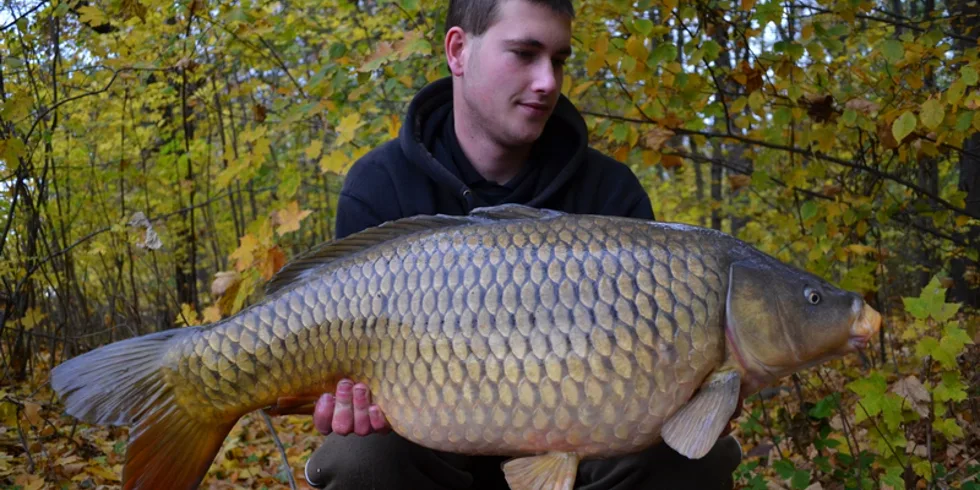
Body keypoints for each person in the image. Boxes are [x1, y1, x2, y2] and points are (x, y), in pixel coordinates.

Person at [303, 0, 744, 488]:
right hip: (430, 446)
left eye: (558, 60)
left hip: (585, 448)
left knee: (695, 458)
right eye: (524, 53)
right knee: (360, 457)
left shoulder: (610, 192)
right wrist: (340, 399)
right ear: (458, 51)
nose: (548, 82)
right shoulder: (380, 185)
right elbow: (344, 370)